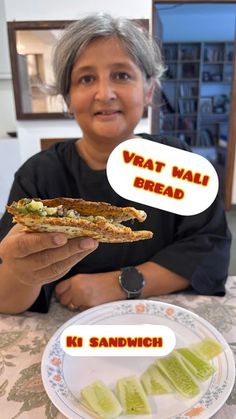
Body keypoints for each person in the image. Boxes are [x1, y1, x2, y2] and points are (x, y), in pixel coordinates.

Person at [0, 13, 231, 314]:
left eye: (122, 75)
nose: (104, 93)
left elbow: (209, 251)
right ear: (68, 98)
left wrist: (121, 283)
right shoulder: (40, 175)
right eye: (86, 78)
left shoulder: (180, 164)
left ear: (148, 90)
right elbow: (7, 300)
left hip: (162, 325)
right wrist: (22, 271)